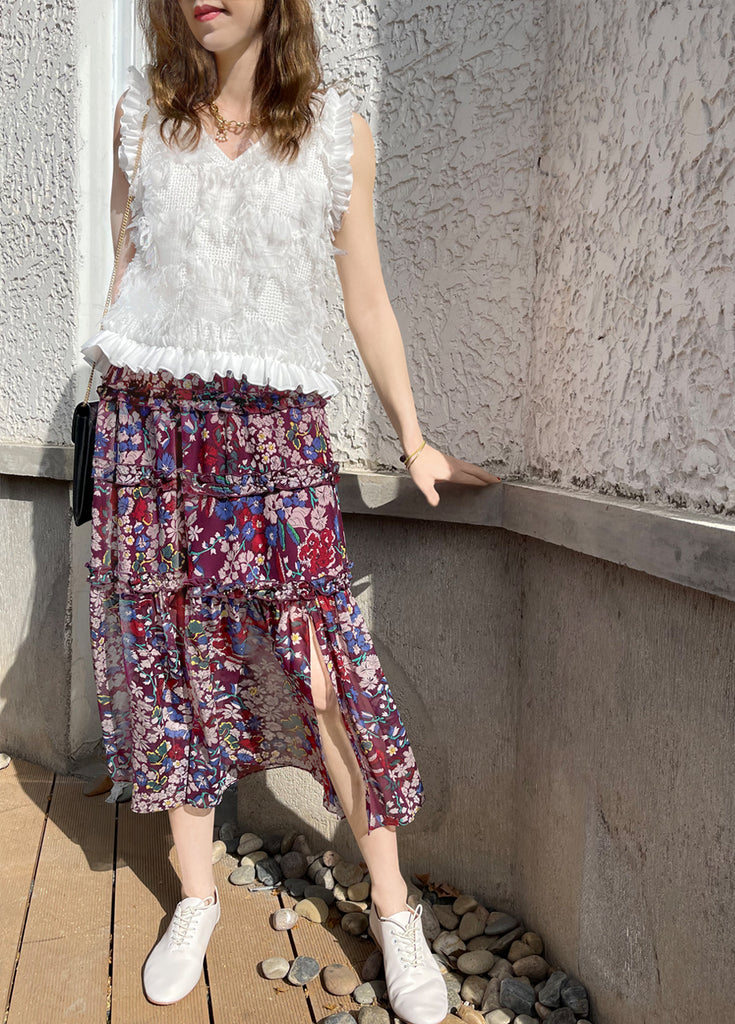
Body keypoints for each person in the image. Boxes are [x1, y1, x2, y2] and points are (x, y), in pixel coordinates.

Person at [80, 1, 500, 1020]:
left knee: (322, 674)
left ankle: (393, 909)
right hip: (153, 432)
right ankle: (196, 894)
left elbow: (367, 299)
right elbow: (129, 268)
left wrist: (413, 437)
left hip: (276, 438)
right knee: (172, 663)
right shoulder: (140, 118)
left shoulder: (333, 133)